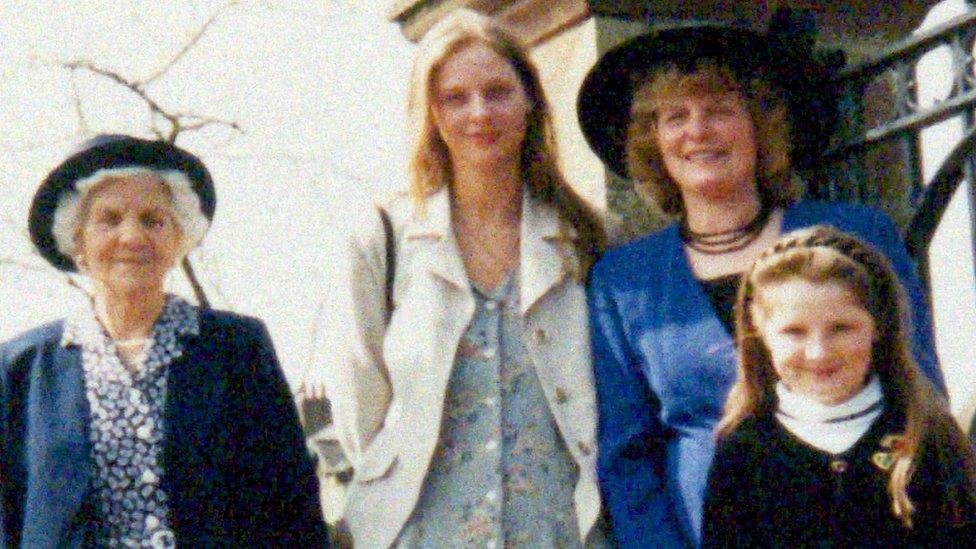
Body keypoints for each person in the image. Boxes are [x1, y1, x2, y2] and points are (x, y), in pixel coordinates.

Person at [578, 23, 946, 547]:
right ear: (653, 141)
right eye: (675, 117)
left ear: (761, 125)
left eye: (720, 110)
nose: (697, 131)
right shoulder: (624, 283)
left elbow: (919, 392)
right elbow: (627, 457)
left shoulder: (857, 237)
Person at [312, 9, 607, 548]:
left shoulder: (583, 236)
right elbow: (360, 412)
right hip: (422, 530)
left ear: (530, 103)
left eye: (498, 92)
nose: (479, 113)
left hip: (556, 528)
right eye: (454, 97)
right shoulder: (383, 237)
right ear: (429, 113)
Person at [0, 135, 328, 547]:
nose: (132, 237)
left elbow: (291, 507)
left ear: (178, 241)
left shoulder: (237, 350)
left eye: (153, 220)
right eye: (110, 219)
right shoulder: (23, 367)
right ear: (77, 242)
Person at [700, 225, 976, 547]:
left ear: (878, 326)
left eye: (841, 328)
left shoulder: (925, 436)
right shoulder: (745, 450)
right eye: (794, 331)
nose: (819, 352)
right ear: (759, 334)